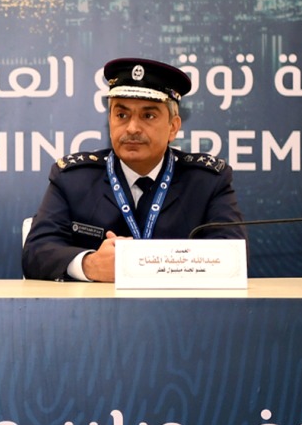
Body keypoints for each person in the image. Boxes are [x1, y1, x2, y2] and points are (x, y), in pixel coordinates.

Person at [22, 57, 245, 282]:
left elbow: (234, 257)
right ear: (110, 120)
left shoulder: (207, 182)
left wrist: (151, 263)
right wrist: (90, 264)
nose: (132, 128)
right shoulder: (73, 180)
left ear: (173, 127)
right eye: (122, 115)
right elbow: (35, 252)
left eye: (148, 116)